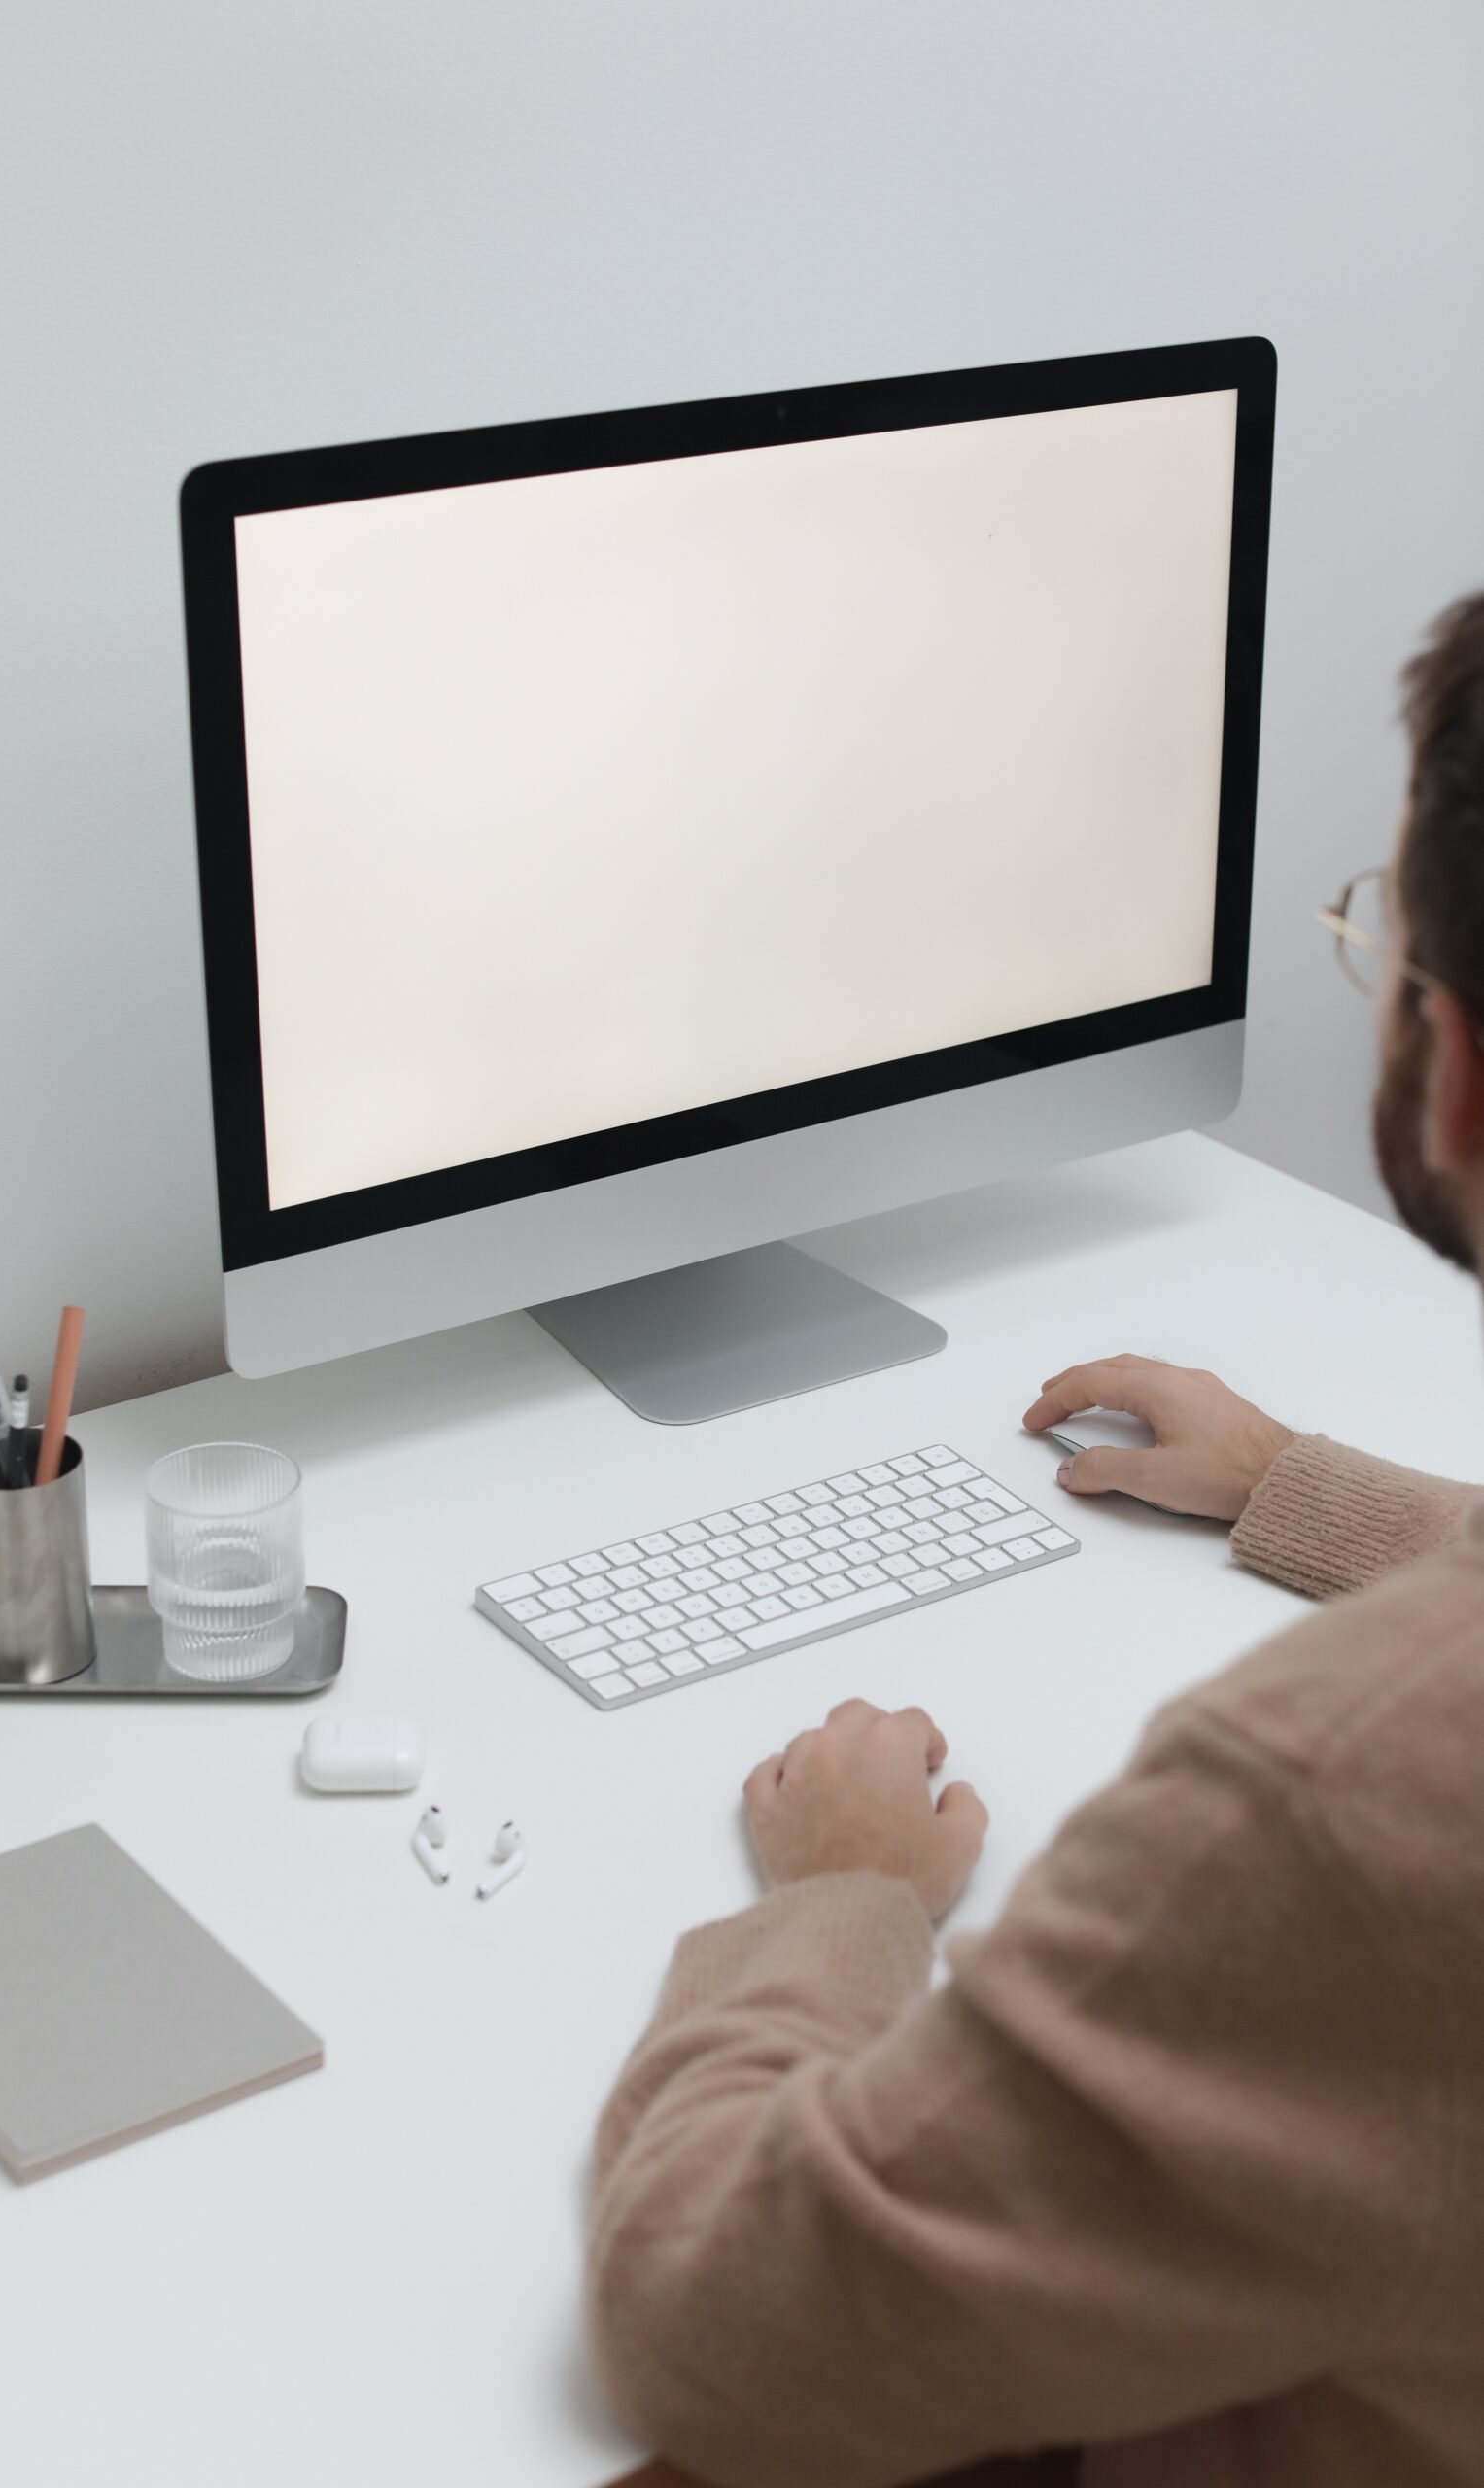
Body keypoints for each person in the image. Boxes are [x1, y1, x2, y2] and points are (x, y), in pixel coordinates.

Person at [584, 593, 1484, 2488]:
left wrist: (832, 1898)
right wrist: (1295, 1482)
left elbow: (713, 2329)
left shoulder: (1341, 1798)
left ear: (1453, 1064)